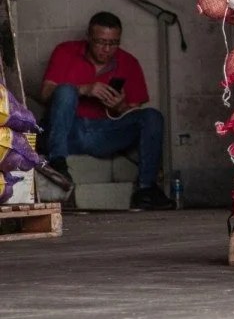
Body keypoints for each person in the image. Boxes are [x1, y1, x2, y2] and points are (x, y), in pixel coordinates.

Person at [40, 12, 170, 210]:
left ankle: (146, 189)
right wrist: (85, 89)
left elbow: (134, 113)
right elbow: (46, 93)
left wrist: (119, 106)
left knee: (152, 117)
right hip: (68, 131)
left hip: (104, 133)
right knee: (66, 90)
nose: (106, 49)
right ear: (89, 37)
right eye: (101, 42)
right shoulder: (65, 51)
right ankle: (58, 164)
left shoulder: (129, 62)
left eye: (113, 43)